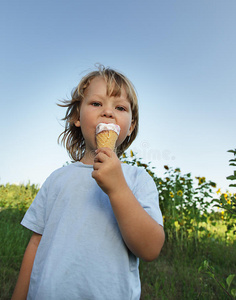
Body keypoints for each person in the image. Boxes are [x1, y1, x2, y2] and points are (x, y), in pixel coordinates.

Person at [12, 65, 165, 300]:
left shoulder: (137, 180)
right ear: (76, 117)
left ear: (131, 126)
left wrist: (118, 188)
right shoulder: (57, 179)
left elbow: (150, 248)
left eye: (120, 107)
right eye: (96, 104)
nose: (108, 112)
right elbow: (35, 244)